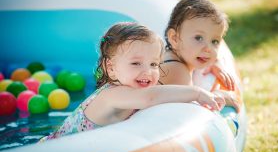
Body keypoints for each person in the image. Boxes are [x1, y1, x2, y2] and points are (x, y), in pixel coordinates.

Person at [40, 22, 225, 142]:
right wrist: (198, 93)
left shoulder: (133, 87)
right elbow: (151, 98)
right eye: (136, 63)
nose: (148, 71)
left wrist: (211, 65)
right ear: (110, 68)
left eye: (153, 64)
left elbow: (167, 90)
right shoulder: (111, 95)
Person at [159, 0, 241, 112]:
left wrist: (215, 63)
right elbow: (194, 111)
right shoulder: (177, 71)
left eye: (214, 41)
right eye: (198, 38)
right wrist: (220, 96)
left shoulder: (173, 54)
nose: (208, 49)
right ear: (174, 38)